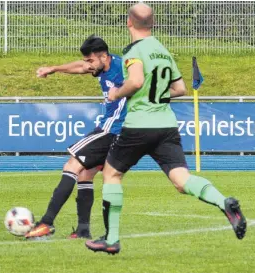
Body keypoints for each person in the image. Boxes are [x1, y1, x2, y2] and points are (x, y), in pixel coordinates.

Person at [85, 3, 246, 255]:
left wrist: (117, 92)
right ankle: (222, 201)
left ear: (129, 23)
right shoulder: (163, 51)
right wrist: (157, 96)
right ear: (153, 23)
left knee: (111, 174)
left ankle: (112, 239)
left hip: (139, 125)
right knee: (182, 180)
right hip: (166, 125)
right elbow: (180, 88)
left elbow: (136, 81)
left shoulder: (134, 51)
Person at [25, 35, 126, 240]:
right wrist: (53, 69)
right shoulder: (103, 65)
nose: (87, 65)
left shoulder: (124, 69)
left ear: (104, 57)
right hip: (119, 132)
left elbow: (140, 81)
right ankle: (83, 230)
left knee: (71, 165)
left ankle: (46, 223)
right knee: (85, 174)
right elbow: (79, 67)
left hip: (112, 129)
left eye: (91, 61)